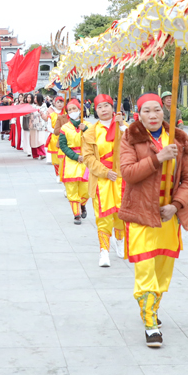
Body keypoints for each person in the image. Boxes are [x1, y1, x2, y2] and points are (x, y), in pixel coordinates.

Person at [119, 93, 188, 347]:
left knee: (163, 274)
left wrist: (176, 206)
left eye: (156, 111)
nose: (152, 116)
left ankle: (150, 308)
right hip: (142, 216)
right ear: (138, 115)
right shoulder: (130, 137)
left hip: (168, 219)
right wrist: (157, 158)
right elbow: (129, 173)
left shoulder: (178, 139)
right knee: (145, 271)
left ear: (163, 112)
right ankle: (151, 323)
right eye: (146, 112)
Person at [82, 94, 128, 267]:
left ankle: (120, 241)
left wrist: (122, 125)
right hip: (102, 180)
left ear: (113, 107)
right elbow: (88, 158)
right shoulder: (90, 133)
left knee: (121, 214)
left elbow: (136, 143)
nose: (103, 109)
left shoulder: (124, 128)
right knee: (103, 217)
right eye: (99, 107)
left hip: (122, 179)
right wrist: (105, 172)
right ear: (96, 110)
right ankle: (104, 251)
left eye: (106, 106)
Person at [58, 99, 91, 224]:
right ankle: (76, 214)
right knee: (71, 189)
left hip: (86, 160)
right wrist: (75, 156)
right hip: (71, 160)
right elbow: (63, 145)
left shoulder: (88, 125)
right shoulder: (65, 128)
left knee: (86, 189)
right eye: (70, 109)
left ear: (79, 109)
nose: (72, 111)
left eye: (74, 109)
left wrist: (86, 129)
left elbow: (95, 140)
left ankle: (82, 204)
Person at [48, 96, 65, 172]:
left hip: (65, 137)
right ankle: (57, 174)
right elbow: (49, 127)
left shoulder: (66, 114)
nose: (60, 104)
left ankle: (63, 173)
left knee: (64, 157)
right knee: (55, 158)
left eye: (61, 102)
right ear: (54, 103)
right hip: (54, 138)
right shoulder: (51, 115)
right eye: (58, 102)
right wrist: (56, 131)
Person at [29, 94, 49, 160]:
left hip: (41, 126)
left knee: (40, 140)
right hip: (33, 125)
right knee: (33, 140)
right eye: (34, 98)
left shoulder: (44, 106)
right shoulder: (32, 106)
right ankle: (35, 154)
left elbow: (45, 116)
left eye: (36, 98)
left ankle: (42, 153)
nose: (34, 99)